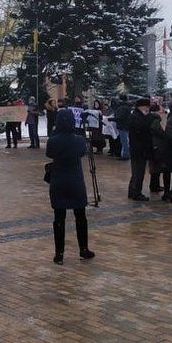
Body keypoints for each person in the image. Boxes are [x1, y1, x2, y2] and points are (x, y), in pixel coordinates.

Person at [46, 108, 95, 265]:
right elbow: (82, 153)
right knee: (80, 216)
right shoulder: (79, 140)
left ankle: (59, 253)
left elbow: (49, 154)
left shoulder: (52, 140)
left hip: (58, 181)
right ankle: (83, 249)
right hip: (75, 181)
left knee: (59, 218)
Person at [127, 98, 152, 201]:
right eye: (146, 107)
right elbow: (142, 128)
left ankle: (132, 191)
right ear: (141, 107)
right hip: (139, 149)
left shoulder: (136, 116)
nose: (148, 109)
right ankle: (136, 193)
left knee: (136, 171)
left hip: (137, 148)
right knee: (139, 172)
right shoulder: (137, 117)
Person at [147, 104, 170, 198]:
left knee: (154, 167)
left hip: (153, 145)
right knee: (159, 166)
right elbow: (160, 132)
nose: (163, 111)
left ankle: (154, 185)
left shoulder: (149, 118)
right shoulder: (156, 120)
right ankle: (154, 186)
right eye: (161, 109)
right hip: (158, 146)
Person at [113, 95, 132, 160]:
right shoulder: (127, 106)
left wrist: (112, 119)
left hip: (122, 126)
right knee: (125, 140)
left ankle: (125, 155)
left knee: (124, 141)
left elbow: (120, 117)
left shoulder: (122, 108)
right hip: (125, 125)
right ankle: (125, 154)